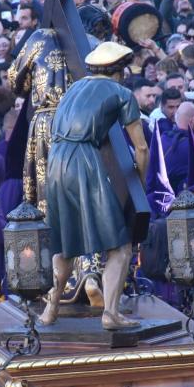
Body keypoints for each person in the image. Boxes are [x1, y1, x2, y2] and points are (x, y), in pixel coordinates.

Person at [42, 41, 148, 330]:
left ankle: (51, 309)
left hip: (56, 161)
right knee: (121, 246)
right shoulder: (122, 93)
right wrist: (139, 186)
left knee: (65, 243)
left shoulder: (73, 88)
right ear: (121, 71)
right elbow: (141, 149)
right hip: (84, 162)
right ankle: (111, 313)